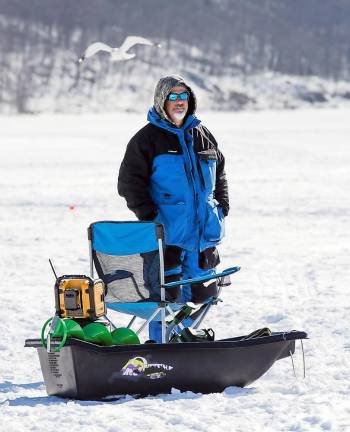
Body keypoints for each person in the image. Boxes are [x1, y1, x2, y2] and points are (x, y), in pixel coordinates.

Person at [118, 75, 229, 304]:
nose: (180, 101)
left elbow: (220, 172)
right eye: (173, 96)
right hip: (168, 237)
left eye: (184, 96)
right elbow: (129, 183)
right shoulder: (146, 139)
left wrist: (222, 206)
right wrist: (151, 216)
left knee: (204, 297)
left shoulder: (203, 135)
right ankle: (162, 340)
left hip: (203, 237)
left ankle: (188, 338)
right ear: (162, 100)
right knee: (165, 300)